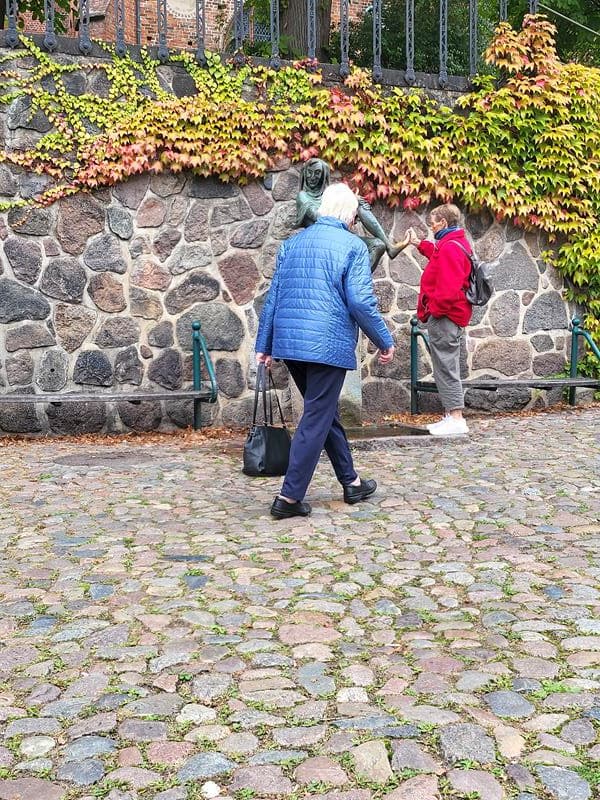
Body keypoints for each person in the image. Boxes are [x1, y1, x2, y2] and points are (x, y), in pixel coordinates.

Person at [255, 182, 395, 519]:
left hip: (292, 345)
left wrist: (265, 345)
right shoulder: (352, 246)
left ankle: (352, 482)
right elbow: (360, 301)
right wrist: (384, 340)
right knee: (316, 418)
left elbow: (274, 297)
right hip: (326, 345)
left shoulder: (292, 243)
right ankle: (289, 498)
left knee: (325, 411)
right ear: (350, 215)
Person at [406, 203, 472, 437]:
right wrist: (419, 244)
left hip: (445, 316)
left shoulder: (451, 247)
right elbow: (436, 255)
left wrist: (434, 309)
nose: (430, 226)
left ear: (443, 223)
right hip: (445, 315)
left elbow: (449, 288)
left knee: (446, 366)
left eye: (433, 222)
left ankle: (456, 417)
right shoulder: (450, 244)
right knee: (444, 366)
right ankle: (449, 416)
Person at [296, 158, 409, 272]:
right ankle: (347, 282)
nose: (312, 176)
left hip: (339, 234)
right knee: (353, 200)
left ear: (323, 175)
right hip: (323, 238)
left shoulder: (327, 194)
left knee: (378, 245)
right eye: (309, 172)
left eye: (317, 173)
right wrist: (347, 203)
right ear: (305, 173)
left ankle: (388, 247)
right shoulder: (303, 196)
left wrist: (352, 202)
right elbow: (320, 218)